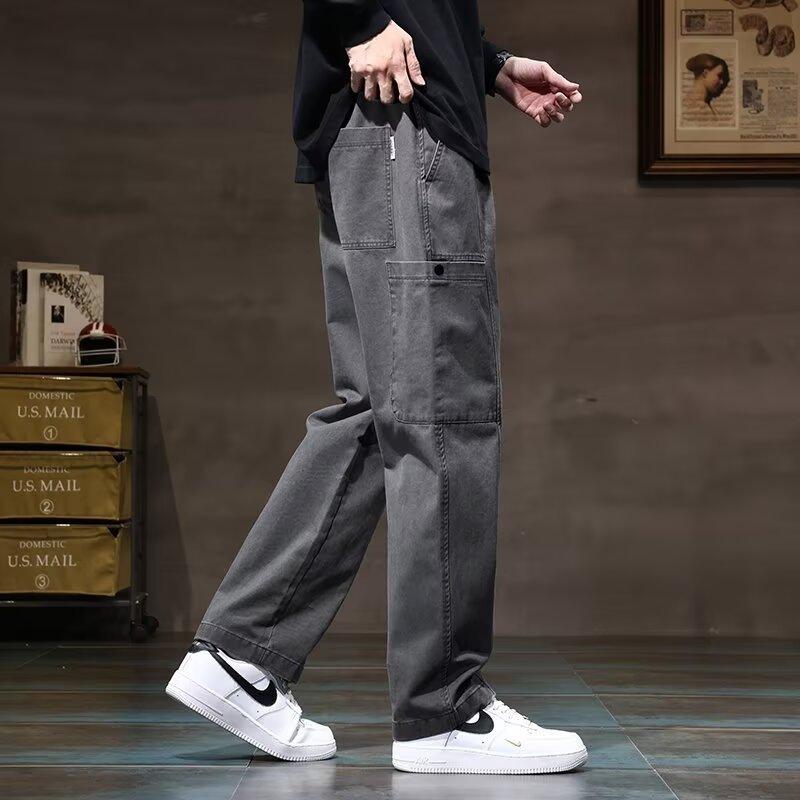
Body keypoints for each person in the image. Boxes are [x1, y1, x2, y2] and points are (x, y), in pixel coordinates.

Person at [167, 0, 586, 775]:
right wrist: (361, 17)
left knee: (381, 407)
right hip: (407, 121)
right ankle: (442, 709)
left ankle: (240, 655)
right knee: (443, 408)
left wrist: (488, 63)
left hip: (383, 122)